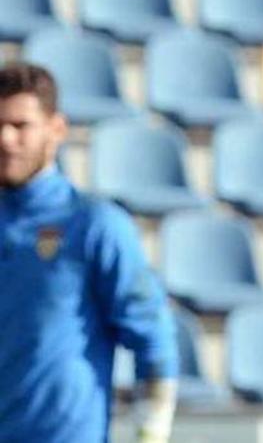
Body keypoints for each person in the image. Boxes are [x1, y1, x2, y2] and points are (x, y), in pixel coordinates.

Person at [0, 62, 178, 442]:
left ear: (56, 129)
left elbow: (153, 335)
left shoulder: (94, 224)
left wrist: (151, 433)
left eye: (20, 126)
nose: (5, 139)